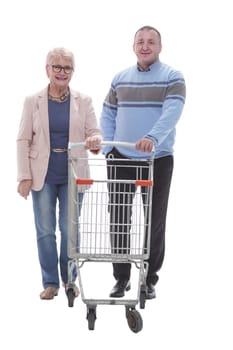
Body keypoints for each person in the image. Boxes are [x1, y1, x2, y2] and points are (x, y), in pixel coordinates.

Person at [100, 26, 186, 299]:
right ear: (133, 46)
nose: (145, 46)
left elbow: (172, 112)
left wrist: (153, 137)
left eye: (151, 42)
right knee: (119, 218)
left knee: (154, 220)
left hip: (157, 159)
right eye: (140, 42)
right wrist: (110, 147)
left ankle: (148, 279)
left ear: (160, 47)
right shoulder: (120, 79)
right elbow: (108, 113)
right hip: (121, 158)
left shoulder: (173, 77)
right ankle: (121, 277)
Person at [17, 47, 102, 300]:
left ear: (72, 72)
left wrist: (95, 139)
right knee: (44, 229)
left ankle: (70, 280)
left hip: (73, 173)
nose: (62, 72)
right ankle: (51, 282)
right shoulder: (33, 101)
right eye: (57, 67)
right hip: (42, 173)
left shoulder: (83, 101)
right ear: (47, 70)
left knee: (70, 229)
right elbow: (23, 139)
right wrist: (24, 175)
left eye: (67, 68)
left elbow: (93, 132)